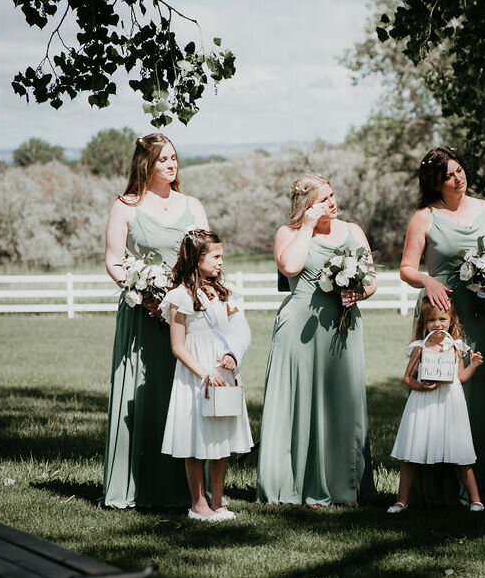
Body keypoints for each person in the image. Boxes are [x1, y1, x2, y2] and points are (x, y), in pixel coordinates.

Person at [102, 133, 212, 509]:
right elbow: (114, 261)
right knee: (145, 394)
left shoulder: (192, 205)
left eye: (175, 158)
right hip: (142, 315)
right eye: (163, 159)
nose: (171, 165)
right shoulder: (126, 206)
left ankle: (188, 489)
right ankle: (137, 486)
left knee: (182, 395)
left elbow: (205, 254)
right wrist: (146, 293)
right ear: (145, 164)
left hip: (184, 313)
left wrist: (183, 297)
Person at [398, 146, 485, 506]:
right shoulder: (424, 217)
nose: (457, 178)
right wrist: (427, 282)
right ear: (435, 183)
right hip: (441, 313)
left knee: (483, 388)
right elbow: (407, 268)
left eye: (459, 170)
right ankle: (439, 488)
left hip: (480, 308)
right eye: (448, 175)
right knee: (439, 390)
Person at [256, 174, 377, 506]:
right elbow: (291, 267)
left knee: (343, 402)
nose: (333, 203)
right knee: (298, 402)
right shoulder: (289, 233)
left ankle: (344, 486)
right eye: (323, 200)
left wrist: (358, 292)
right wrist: (307, 227)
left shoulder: (353, 231)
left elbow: (372, 280)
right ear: (307, 205)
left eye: (333, 195)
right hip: (300, 328)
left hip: (343, 328)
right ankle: (290, 483)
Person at [160, 229, 254, 521]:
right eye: (215, 257)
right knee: (195, 438)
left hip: (223, 371)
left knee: (220, 438)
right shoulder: (179, 296)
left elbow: (241, 330)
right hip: (195, 375)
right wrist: (203, 373)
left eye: (221, 257)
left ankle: (218, 500)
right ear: (196, 258)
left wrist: (232, 355)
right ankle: (198, 503)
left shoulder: (226, 292)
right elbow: (178, 346)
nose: (220, 263)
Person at [388, 297, 485, 514]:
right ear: (424, 323)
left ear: (452, 321)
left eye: (442, 318)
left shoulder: (455, 346)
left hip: (450, 402)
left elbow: (460, 376)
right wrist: (423, 387)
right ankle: (401, 500)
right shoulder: (420, 347)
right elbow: (408, 378)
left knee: (461, 453)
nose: (437, 324)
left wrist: (474, 365)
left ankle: (476, 500)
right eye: (432, 320)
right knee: (411, 453)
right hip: (423, 403)